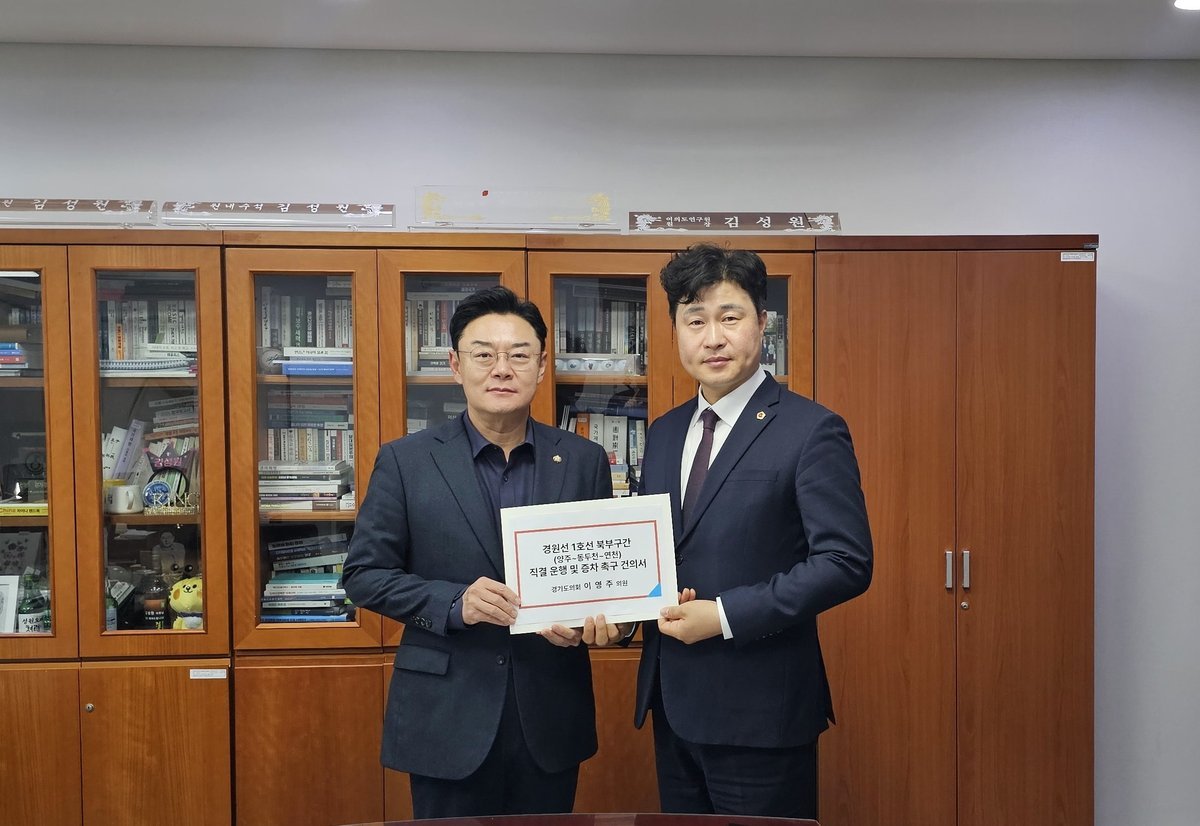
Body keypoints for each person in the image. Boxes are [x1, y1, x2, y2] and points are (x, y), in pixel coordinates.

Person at [342, 285, 617, 818]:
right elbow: (364, 575)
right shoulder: (406, 461)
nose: (502, 369)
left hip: (549, 711)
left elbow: (603, 574)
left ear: (542, 366)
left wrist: (600, 623)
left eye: (519, 355)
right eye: (484, 354)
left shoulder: (584, 460)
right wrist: (454, 603)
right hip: (446, 714)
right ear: (456, 364)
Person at [634, 244, 873, 818]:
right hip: (673, 705)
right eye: (695, 321)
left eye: (730, 317)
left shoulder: (811, 429)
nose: (713, 338)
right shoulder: (664, 432)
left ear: (762, 323)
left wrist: (723, 615)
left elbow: (845, 562)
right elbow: (652, 553)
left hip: (763, 712)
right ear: (675, 332)